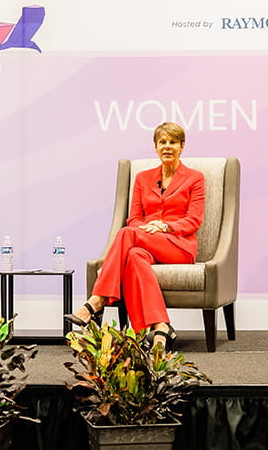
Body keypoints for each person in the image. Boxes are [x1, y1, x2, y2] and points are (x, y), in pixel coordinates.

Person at [64, 122, 204, 350]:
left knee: (126, 234)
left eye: (173, 142)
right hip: (147, 242)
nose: (167, 147)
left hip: (179, 245)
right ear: (155, 147)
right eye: (162, 142)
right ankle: (160, 328)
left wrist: (165, 227)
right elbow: (135, 218)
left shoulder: (195, 178)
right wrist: (147, 229)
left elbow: (193, 220)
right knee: (134, 256)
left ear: (182, 146)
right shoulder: (142, 178)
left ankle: (97, 300)